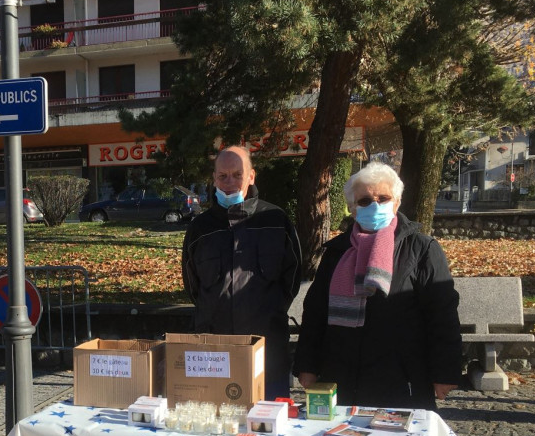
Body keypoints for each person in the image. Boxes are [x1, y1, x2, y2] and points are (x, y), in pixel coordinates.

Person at [293, 161, 461, 410]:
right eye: (364, 201)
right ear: (352, 208)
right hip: (341, 376)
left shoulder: (422, 249)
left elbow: (442, 314)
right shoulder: (336, 252)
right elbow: (316, 312)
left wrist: (445, 372)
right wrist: (307, 365)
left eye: (383, 198)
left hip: (401, 377)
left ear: (397, 202)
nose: (375, 205)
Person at [181, 146, 302, 399]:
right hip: (214, 353)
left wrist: (269, 313)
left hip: (266, 351)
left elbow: (291, 278)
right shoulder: (200, 228)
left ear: (251, 176)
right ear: (213, 179)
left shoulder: (275, 219)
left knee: (268, 431)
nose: (229, 183)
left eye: (237, 174)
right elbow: (193, 285)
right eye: (222, 176)